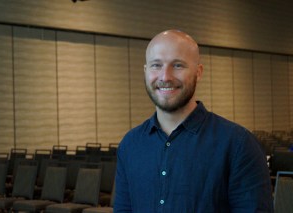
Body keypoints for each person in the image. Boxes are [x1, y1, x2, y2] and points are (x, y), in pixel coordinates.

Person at [114, 29, 274, 212]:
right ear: (145, 71)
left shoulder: (238, 144)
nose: (165, 76)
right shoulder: (130, 144)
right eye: (156, 65)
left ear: (198, 72)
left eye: (178, 65)